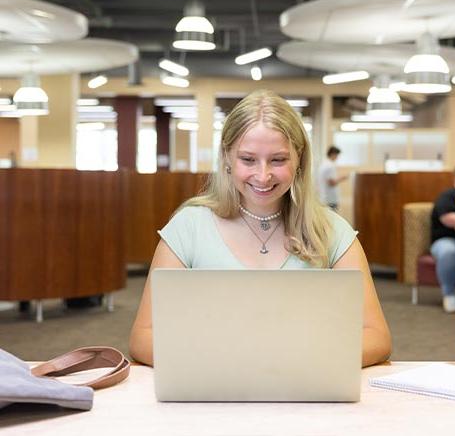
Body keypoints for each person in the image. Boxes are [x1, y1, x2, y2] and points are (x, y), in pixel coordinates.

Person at [129, 89, 391, 368]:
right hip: (212, 394)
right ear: (227, 157)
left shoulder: (332, 230)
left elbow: (377, 337)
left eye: (278, 160)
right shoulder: (189, 227)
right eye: (248, 159)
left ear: (299, 160)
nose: (263, 175)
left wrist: (291, 360)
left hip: (304, 392)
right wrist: (233, 361)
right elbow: (143, 337)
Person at [430, 165, 455, 313]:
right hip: (446, 240)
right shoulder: (448, 196)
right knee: (449, 252)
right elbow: (447, 218)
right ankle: (449, 295)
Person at [317, 146, 348, 210]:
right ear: (333, 154)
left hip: (325, 198)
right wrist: (343, 178)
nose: (337, 157)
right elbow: (332, 182)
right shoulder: (330, 166)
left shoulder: (324, 164)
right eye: (337, 155)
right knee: (332, 218)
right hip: (330, 200)